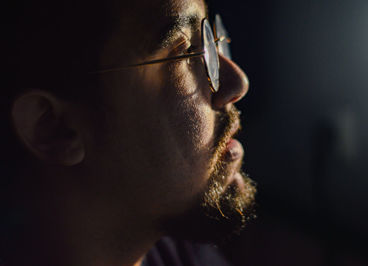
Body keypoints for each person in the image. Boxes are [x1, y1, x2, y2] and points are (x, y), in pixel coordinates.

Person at [1, 0, 257, 265]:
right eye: (187, 53)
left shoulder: (183, 253)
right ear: (55, 128)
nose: (237, 83)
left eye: (211, 40)